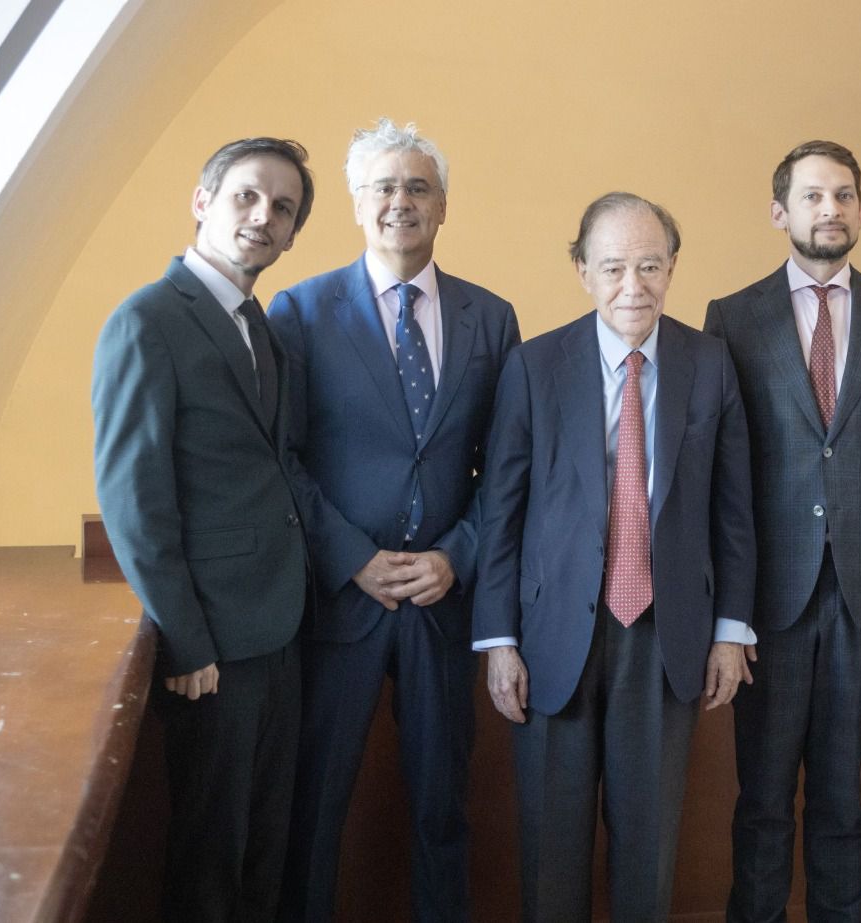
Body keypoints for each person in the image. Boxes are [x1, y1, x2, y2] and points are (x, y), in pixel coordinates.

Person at [474, 192, 756, 923]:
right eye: (613, 268)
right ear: (581, 271)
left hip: (668, 635)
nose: (634, 286)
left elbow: (734, 511)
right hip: (551, 636)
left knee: (648, 842)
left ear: (671, 268)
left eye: (650, 266)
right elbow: (500, 513)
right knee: (551, 843)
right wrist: (498, 639)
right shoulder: (534, 365)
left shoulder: (711, 364)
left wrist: (732, 629)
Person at [267, 118, 519, 922]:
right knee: (314, 811)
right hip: (341, 602)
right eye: (383, 186)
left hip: (443, 607)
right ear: (355, 202)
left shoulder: (491, 317)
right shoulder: (299, 312)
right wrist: (351, 557)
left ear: (443, 204)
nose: (399, 201)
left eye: (417, 186)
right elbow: (285, 458)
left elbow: (507, 469)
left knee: (443, 812)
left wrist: (459, 555)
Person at [704, 140, 861, 921]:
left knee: (842, 796)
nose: (829, 209)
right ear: (780, 212)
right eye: (811, 196)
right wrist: (726, 613)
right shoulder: (732, 318)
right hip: (767, 598)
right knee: (763, 796)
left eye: (843, 195)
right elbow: (722, 477)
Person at [92, 136, 314, 922]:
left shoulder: (267, 330)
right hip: (213, 645)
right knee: (208, 858)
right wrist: (186, 640)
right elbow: (132, 501)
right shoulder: (147, 320)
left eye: (282, 209)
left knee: (262, 846)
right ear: (202, 200)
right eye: (247, 196)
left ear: (292, 236)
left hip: (281, 631)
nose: (262, 217)